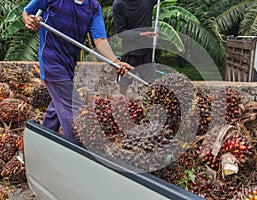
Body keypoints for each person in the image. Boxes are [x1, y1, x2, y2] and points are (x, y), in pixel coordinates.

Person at [22, 0, 133, 144]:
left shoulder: (93, 6)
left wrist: (115, 62)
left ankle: (38, 145)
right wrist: (29, 20)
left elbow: (99, 39)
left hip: (69, 64)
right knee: (76, 112)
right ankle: (78, 153)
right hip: (51, 60)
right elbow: (27, 13)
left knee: (56, 108)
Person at [112, 0, 158, 95]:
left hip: (146, 53)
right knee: (123, 88)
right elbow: (121, 32)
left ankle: (149, 108)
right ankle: (121, 107)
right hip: (129, 53)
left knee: (151, 88)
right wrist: (142, 34)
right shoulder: (119, 4)